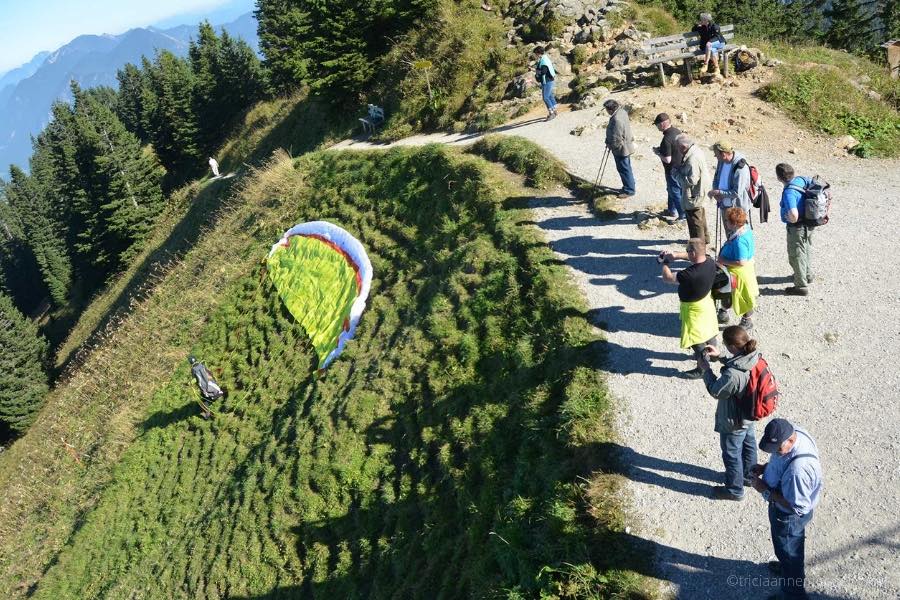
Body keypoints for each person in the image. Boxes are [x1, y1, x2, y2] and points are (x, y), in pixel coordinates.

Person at [750, 418, 823, 600]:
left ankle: (793, 593)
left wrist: (765, 490)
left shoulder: (798, 471)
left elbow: (797, 507)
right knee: (786, 551)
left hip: (789, 518)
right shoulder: (796, 432)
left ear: (790, 440)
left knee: (790, 553)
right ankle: (787, 568)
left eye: (777, 450)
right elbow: (781, 460)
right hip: (788, 503)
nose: (775, 453)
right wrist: (766, 468)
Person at [699, 325, 759, 500]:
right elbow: (738, 363)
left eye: (726, 346)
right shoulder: (754, 356)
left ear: (732, 347)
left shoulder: (733, 375)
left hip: (734, 421)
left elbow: (716, 391)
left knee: (732, 454)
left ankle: (734, 490)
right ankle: (749, 476)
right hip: (749, 413)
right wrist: (721, 357)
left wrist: (705, 369)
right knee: (749, 445)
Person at [659, 238, 718, 379]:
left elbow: (667, 277)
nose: (686, 253)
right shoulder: (710, 262)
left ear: (692, 253)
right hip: (706, 304)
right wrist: (677, 255)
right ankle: (714, 354)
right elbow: (696, 255)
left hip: (693, 310)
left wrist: (665, 262)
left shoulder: (688, 274)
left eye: (687, 251)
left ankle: (702, 367)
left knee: (696, 340)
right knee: (709, 330)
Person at [776, 163, 814, 296]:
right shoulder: (801, 180)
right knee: (806, 249)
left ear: (779, 178)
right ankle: (807, 275)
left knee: (796, 254)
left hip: (797, 227)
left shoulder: (789, 193)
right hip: (809, 224)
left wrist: (790, 218)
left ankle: (800, 285)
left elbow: (794, 215)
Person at [717, 207, 759, 328]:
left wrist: (722, 260)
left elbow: (741, 262)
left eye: (727, 221)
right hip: (738, 271)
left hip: (738, 273)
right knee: (728, 293)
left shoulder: (739, 241)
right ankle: (723, 313)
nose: (725, 222)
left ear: (734, 223)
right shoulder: (745, 229)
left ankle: (747, 320)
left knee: (743, 296)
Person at [709, 140, 751, 237]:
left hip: (737, 208)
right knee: (729, 235)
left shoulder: (740, 167)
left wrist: (719, 192)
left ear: (723, 154)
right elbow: (716, 177)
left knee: (739, 236)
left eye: (716, 154)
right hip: (725, 205)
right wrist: (716, 193)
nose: (715, 156)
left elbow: (737, 192)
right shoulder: (721, 162)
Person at [674, 134, 710, 244]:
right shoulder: (696, 151)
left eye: (678, 147)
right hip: (701, 190)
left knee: (695, 221)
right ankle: (705, 240)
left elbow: (692, 180)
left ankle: (699, 247)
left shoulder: (692, 159)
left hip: (694, 194)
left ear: (683, 147)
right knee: (701, 217)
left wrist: (676, 175)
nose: (677, 150)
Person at [653, 113, 684, 220]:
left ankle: (682, 215)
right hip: (681, 166)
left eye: (657, 125)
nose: (656, 127)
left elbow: (667, 159)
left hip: (672, 170)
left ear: (662, 125)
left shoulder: (666, 139)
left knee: (675, 192)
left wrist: (657, 153)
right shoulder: (677, 131)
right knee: (672, 190)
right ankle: (672, 210)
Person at [603, 99, 635, 198]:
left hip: (621, 149)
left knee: (623, 169)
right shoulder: (622, 112)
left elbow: (616, 137)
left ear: (610, 110)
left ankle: (629, 190)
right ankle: (629, 186)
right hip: (626, 145)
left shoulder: (616, 119)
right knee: (626, 168)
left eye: (606, 109)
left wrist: (611, 146)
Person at [534, 47, 558, 122]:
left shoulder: (543, 61)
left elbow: (544, 71)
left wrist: (537, 73)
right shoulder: (545, 58)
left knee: (545, 97)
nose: (535, 55)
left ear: (538, 53)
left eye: (535, 53)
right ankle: (554, 110)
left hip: (547, 81)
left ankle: (551, 113)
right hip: (549, 80)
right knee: (550, 96)